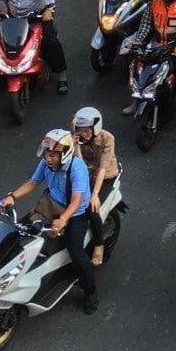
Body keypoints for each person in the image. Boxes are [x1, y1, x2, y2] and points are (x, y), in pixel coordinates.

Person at [0, 129, 99, 314]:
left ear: (66, 153)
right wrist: (12, 196)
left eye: (53, 154)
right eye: (47, 153)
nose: (48, 157)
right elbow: (32, 183)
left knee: (77, 253)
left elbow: (77, 200)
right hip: (50, 205)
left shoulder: (77, 168)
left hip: (74, 214)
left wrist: (63, 219)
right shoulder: (46, 164)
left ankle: (90, 291)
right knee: (17, 233)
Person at [72, 107, 118, 267]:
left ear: (95, 128)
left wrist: (95, 194)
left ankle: (99, 245)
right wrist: (77, 145)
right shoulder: (75, 137)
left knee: (91, 208)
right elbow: (78, 164)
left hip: (105, 177)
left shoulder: (107, 139)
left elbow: (103, 169)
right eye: (79, 130)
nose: (82, 133)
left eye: (85, 130)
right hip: (85, 174)